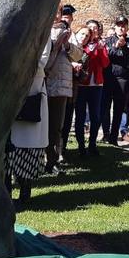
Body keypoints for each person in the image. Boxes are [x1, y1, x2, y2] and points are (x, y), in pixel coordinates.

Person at [6, 36, 52, 209]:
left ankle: (24, 195)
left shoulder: (44, 35)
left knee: (28, 147)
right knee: (8, 150)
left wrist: (14, 63)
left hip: (33, 92)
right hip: (11, 92)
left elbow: (41, 62)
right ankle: (6, 193)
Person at [45, 10, 81, 173]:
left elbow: (79, 54)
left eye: (57, 12)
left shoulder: (68, 31)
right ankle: (37, 160)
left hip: (61, 87)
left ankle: (52, 161)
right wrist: (56, 44)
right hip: (43, 82)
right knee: (39, 125)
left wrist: (67, 45)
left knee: (56, 126)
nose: (56, 16)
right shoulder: (43, 28)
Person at [72, 24, 108, 156]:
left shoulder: (101, 45)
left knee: (96, 116)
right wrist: (94, 50)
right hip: (82, 85)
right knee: (80, 117)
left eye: (95, 28)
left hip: (96, 85)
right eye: (90, 28)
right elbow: (83, 59)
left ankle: (92, 144)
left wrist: (100, 49)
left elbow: (105, 63)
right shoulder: (82, 44)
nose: (93, 30)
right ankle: (81, 146)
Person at [102, 16, 129, 144]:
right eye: (119, 25)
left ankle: (114, 138)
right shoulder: (108, 40)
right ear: (115, 27)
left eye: (123, 25)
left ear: (127, 27)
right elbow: (107, 56)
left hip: (123, 79)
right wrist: (116, 47)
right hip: (109, 78)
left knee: (119, 109)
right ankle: (106, 134)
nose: (121, 28)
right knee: (105, 107)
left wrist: (124, 48)